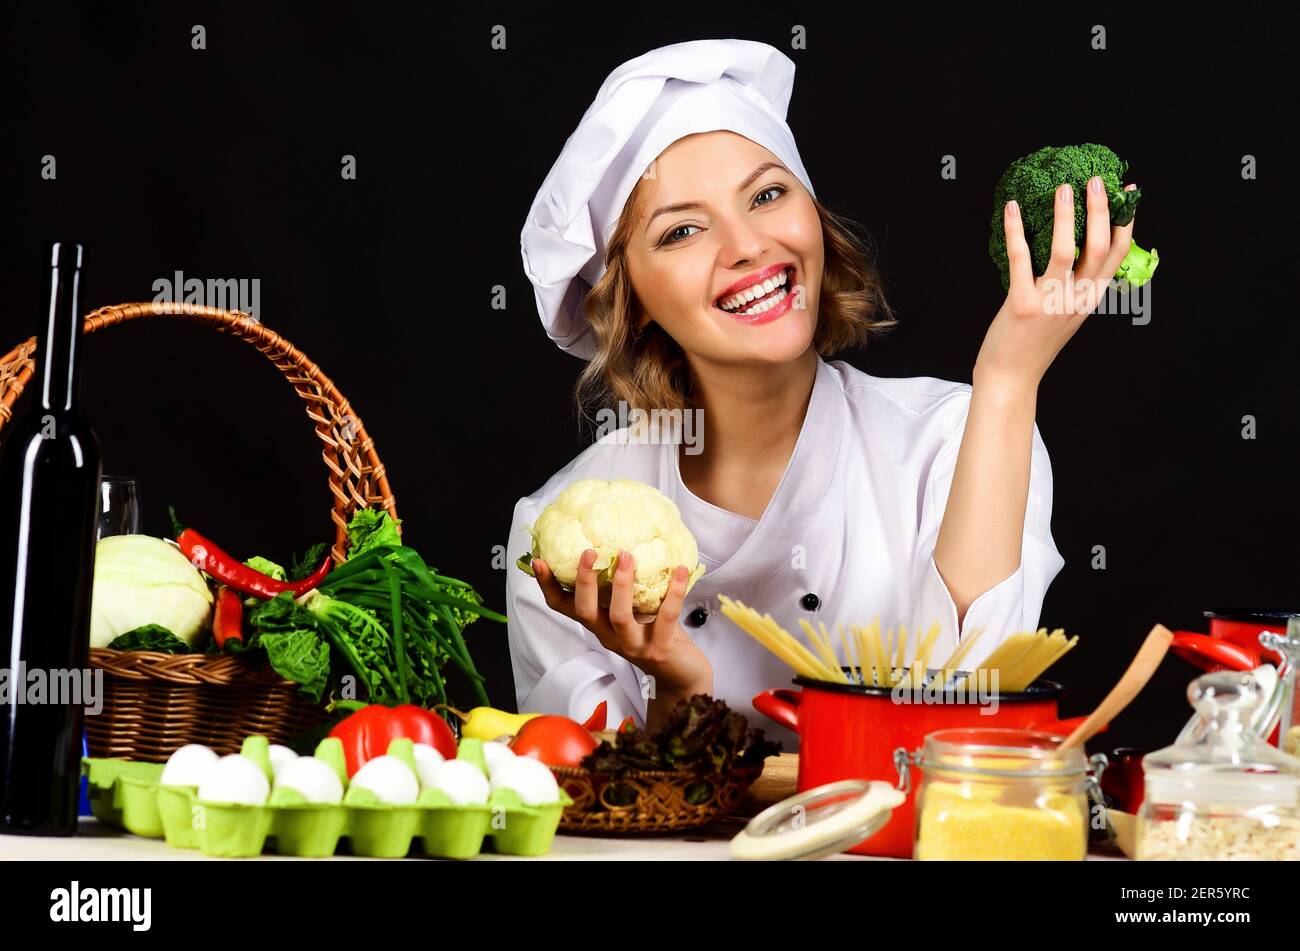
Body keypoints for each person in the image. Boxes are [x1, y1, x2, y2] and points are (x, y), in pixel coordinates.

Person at [509, 39, 1139, 750]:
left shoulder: (956, 439)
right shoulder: (555, 548)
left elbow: (968, 726)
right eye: (683, 230)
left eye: (768, 194)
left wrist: (1008, 379)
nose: (746, 245)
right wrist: (680, 686)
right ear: (633, 300)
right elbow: (597, 825)